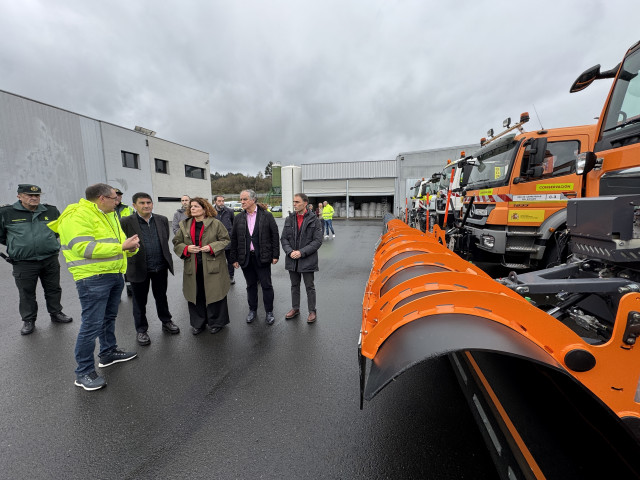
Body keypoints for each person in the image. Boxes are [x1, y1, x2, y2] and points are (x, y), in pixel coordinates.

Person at [48, 183, 139, 391]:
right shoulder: (77, 215)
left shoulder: (108, 214)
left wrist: (130, 248)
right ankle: (83, 372)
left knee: (108, 318)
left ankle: (108, 353)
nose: (118, 201)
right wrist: (121, 247)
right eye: (115, 197)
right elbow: (83, 248)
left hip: (114, 273)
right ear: (101, 198)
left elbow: (119, 242)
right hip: (93, 277)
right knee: (91, 325)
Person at [0, 184, 73, 335]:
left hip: (49, 258)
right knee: (26, 292)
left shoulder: (50, 210)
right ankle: (29, 320)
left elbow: (58, 231)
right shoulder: (6, 212)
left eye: (37, 195)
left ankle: (56, 313)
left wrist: (46, 243)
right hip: (23, 262)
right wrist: (18, 245)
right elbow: (2, 235)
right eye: (29, 195)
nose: (34, 198)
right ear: (19, 196)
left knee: (53, 288)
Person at [121, 192, 180, 346]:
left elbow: (164, 239)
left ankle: (166, 321)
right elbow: (123, 243)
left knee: (161, 297)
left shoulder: (161, 220)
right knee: (139, 301)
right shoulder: (126, 221)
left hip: (160, 266)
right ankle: (141, 330)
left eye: (149, 202)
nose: (146, 206)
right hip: (139, 268)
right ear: (134, 205)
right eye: (142, 203)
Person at [173, 197, 231, 335]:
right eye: (191, 206)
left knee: (215, 293)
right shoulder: (184, 224)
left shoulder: (216, 224)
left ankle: (216, 322)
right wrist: (186, 249)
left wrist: (211, 247)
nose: (192, 208)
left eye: (196, 206)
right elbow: (176, 242)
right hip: (193, 266)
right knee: (195, 294)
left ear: (204, 209)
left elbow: (225, 240)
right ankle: (198, 323)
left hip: (212, 266)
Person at [230, 189, 279, 325]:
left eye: (245, 199)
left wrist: (275, 255)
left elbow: (274, 235)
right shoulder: (239, 217)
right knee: (250, 285)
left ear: (253, 199)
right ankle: (252, 310)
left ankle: (269, 312)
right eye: (241, 199)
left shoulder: (266, 216)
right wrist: (233, 258)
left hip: (263, 257)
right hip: (246, 258)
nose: (242, 202)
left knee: (266, 285)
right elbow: (234, 239)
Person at [281, 193, 323, 323]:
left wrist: (301, 252)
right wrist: (289, 252)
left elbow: (317, 241)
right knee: (294, 285)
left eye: (297, 202)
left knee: (309, 286)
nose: (294, 204)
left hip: (307, 259)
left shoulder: (314, 220)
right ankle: (295, 308)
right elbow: (284, 239)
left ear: (305, 203)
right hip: (292, 259)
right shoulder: (289, 219)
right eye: (294, 202)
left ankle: (312, 311)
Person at [213, 195, 236, 285]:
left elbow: (234, 225)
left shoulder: (229, 211)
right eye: (219, 201)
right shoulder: (211, 212)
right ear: (215, 202)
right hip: (216, 241)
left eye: (223, 201)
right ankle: (219, 277)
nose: (221, 203)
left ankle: (231, 276)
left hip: (228, 241)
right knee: (218, 261)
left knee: (230, 260)